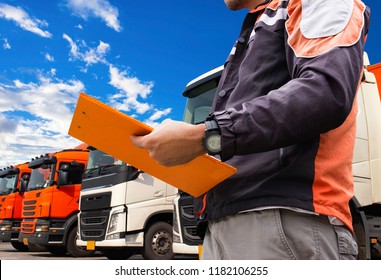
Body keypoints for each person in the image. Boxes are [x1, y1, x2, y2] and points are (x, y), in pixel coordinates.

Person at [131, 0, 371, 260]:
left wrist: (205, 136)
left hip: (283, 219)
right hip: (228, 223)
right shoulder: (256, 27)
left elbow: (324, 93)